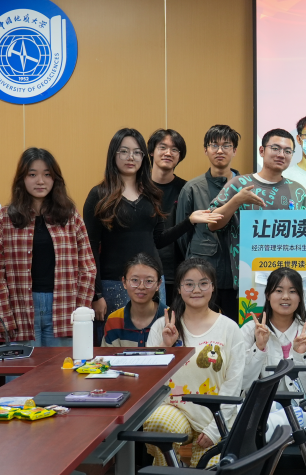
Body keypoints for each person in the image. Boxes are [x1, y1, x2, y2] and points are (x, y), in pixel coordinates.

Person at [83, 129, 219, 342]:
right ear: (113, 154)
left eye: (137, 152)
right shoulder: (99, 194)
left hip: (153, 282)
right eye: (124, 151)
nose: (131, 157)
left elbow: (159, 239)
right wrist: (96, 294)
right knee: (116, 346)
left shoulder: (152, 193)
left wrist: (189, 221)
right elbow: (89, 249)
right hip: (114, 283)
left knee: (157, 342)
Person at [0, 148, 95, 347]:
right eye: (32, 174)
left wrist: (81, 313)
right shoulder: (5, 218)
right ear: (22, 179)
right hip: (20, 309)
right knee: (23, 368)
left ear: (55, 179)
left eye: (47, 174)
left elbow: (87, 268)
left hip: (64, 307)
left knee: (61, 367)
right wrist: (4, 315)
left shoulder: (70, 216)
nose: (40, 181)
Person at [145, 258, 250, 466]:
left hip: (215, 415)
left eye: (203, 283)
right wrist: (167, 346)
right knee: (157, 424)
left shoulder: (229, 328)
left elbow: (234, 382)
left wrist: (214, 429)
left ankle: (191, 472)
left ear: (213, 287)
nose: (196, 290)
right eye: (189, 284)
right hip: (174, 409)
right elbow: (150, 377)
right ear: (179, 288)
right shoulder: (163, 325)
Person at [208, 128, 306, 321]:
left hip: (288, 286)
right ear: (262, 151)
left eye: (287, 151)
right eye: (275, 148)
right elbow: (212, 224)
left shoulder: (298, 191)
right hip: (247, 283)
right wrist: (236, 201)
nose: (281, 154)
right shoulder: (239, 184)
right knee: (248, 335)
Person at [177, 124, 242, 321]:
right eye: (214, 145)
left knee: (236, 331)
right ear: (206, 150)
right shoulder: (192, 188)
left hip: (238, 278)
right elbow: (182, 237)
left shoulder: (247, 187)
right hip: (203, 277)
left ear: (234, 150)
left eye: (226, 145)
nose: (220, 150)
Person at [241, 267, 306, 397]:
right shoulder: (250, 330)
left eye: (292, 291)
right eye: (279, 291)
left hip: (298, 408)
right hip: (259, 407)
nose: (285, 297)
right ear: (268, 295)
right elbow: (242, 383)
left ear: (300, 297)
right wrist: (259, 348)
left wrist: (300, 356)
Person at [148, 128, 188, 306]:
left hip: (177, 273)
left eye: (174, 149)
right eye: (162, 147)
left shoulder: (187, 189)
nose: (168, 153)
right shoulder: (138, 188)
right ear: (151, 151)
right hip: (144, 273)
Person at [103, 252, 165, 349]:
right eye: (135, 280)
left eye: (149, 281)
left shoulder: (171, 319)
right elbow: (107, 357)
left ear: (158, 284)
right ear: (124, 282)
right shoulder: (114, 320)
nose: (141, 287)